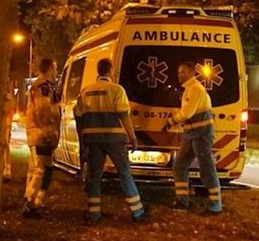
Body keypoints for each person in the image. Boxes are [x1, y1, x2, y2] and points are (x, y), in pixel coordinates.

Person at [73, 58, 147, 225]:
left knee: (94, 176)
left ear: (98, 71)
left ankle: (93, 214)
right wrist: (132, 137)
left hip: (93, 140)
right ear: (111, 71)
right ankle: (138, 212)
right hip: (114, 139)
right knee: (124, 174)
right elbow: (123, 115)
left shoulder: (85, 91)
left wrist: (82, 139)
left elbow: (78, 116)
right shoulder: (117, 90)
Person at [164, 61, 222, 215]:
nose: (180, 75)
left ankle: (215, 204)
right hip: (191, 134)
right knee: (179, 165)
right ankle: (182, 201)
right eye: (179, 72)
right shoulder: (189, 89)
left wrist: (171, 121)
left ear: (192, 73)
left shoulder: (195, 89)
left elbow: (187, 113)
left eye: (183, 72)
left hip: (201, 134)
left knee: (206, 167)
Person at [23, 58, 60, 217]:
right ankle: (30, 204)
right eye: (55, 68)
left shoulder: (45, 86)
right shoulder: (43, 86)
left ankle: (34, 202)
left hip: (40, 134)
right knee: (41, 170)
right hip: (41, 135)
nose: (56, 72)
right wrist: (51, 134)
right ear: (50, 68)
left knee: (44, 170)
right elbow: (44, 111)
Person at [2, 80, 17, 181]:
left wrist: (7, 125)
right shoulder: (7, 98)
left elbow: (9, 112)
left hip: (5, 125)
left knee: (5, 145)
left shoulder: (9, 98)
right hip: (4, 125)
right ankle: (5, 168)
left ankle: (7, 168)